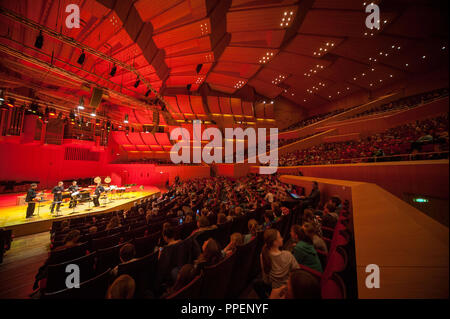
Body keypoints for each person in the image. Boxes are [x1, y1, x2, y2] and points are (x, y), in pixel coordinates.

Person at [254, 229, 299, 299]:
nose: (282, 238)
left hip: (274, 290)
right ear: (275, 242)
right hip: (288, 289)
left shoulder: (263, 256)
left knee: (256, 283)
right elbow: (297, 273)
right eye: (280, 237)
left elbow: (266, 280)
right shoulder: (288, 255)